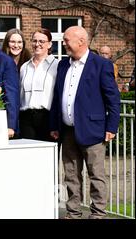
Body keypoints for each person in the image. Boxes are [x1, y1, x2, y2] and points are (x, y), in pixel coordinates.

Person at [49, 26, 120, 219]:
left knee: (96, 176)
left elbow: (112, 99)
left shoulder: (101, 64)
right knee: (71, 175)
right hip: (67, 131)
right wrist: (55, 125)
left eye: (66, 40)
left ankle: (98, 214)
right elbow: (58, 97)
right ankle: (73, 213)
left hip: (93, 130)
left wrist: (111, 127)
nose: (63, 43)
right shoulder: (63, 65)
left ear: (81, 41)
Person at [19, 28, 59, 141]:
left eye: (41, 41)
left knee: (48, 156)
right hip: (26, 118)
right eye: (34, 41)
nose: (37, 44)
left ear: (50, 44)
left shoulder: (57, 66)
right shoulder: (24, 67)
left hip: (47, 118)